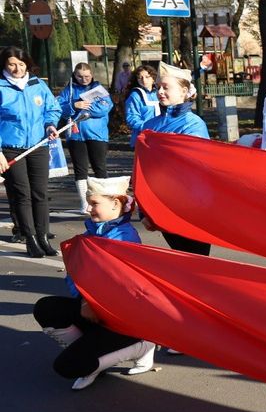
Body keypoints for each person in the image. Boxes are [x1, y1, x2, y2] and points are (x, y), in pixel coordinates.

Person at [33, 176, 157, 390]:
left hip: (123, 320)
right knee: (46, 308)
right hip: (96, 313)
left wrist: (90, 301)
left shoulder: (125, 239)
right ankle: (92, 357)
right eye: (89, 203)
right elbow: (75, 276)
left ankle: (142, 345)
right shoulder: (91, 233)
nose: (88, 208)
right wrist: (84, 301)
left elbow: (122, 287)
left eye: (94, 203)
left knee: (67, 366)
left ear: (116, 203)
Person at [139, 67, 212, 257]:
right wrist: (144, 209)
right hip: (161, 203)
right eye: (158, 87)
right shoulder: (150, 125)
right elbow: (141, 169)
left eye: (166, 87)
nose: (160, 91)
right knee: (180, 256)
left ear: (184, 92)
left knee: (196, 259)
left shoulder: (194, 124)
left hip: (190, 207)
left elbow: (197, 166)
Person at [0, 46, 61, 257]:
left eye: (21, 63)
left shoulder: (37, 84)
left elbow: (52, 108)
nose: (17, 68)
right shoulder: (1, 86)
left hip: (38, 146)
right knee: (22, 194)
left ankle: (44, 236)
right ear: (5, 65)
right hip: (9, 149)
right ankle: (30, 238)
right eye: (12, 64)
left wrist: (50, 125)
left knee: (40, 193)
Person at [59, 62, 114, 213]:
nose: (84, 79)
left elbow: (105, 107)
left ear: (92, 75)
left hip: (97, 135)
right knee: (80, 169)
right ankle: (85, 203)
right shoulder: (68, 90)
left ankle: (104, 201)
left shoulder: (99, 89)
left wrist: (87, 108)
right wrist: (74, 105)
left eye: (87, 76)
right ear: (74, 75)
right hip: (76, 135)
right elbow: (59, 108)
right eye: (80, 76)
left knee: (100, 168)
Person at [124, 65, 161, 147]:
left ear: (153, 78)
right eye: (140, 77)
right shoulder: (135, 95)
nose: (144, 80)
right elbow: (132, 118)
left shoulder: (160, 92)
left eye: (147, 77)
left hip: (161, 136)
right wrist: (149, 128)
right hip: (143, 138)